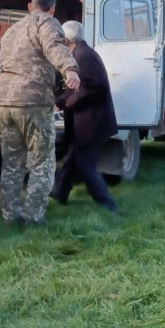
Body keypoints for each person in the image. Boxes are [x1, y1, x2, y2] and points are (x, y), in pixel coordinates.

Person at [0, 0, 80, 225]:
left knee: (12, 162)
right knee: (42, 161)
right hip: (33, 102)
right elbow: (54, 46)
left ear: (29, 6)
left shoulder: (12, 30)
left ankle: (10, 216)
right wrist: (70, 69)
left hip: (5, 102)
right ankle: (34, 217)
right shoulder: (47, 22)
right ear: (52, 8)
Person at [51, 21, 118, 214]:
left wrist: (65, 103)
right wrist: (62, 100)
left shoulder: (84, 57)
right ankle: (60, 192)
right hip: (86, 121)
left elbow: (90, 88)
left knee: (84, 165)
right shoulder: (81, 53)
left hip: (91, 123)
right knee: (72, 158)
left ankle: (107, 204)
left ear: (65, 39)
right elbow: (78, 88)